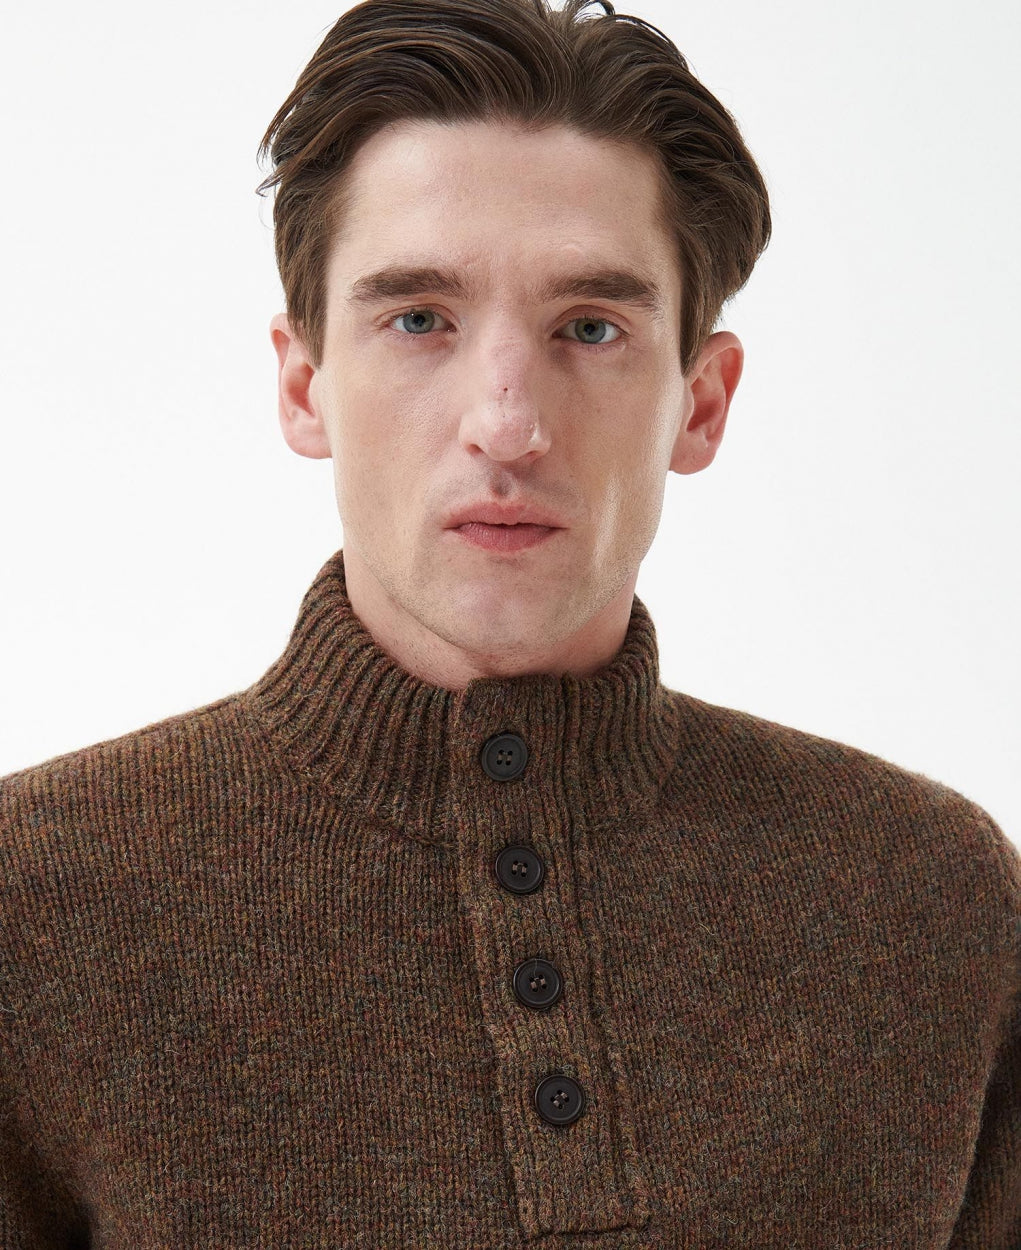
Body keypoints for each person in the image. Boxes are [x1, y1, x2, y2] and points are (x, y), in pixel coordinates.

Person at [1, 0, 1016, 1243]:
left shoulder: (931, 900)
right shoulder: (35, 901)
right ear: (304, 382)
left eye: (589, 328)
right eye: (417, 319)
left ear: (700, 402)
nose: (506, 422)